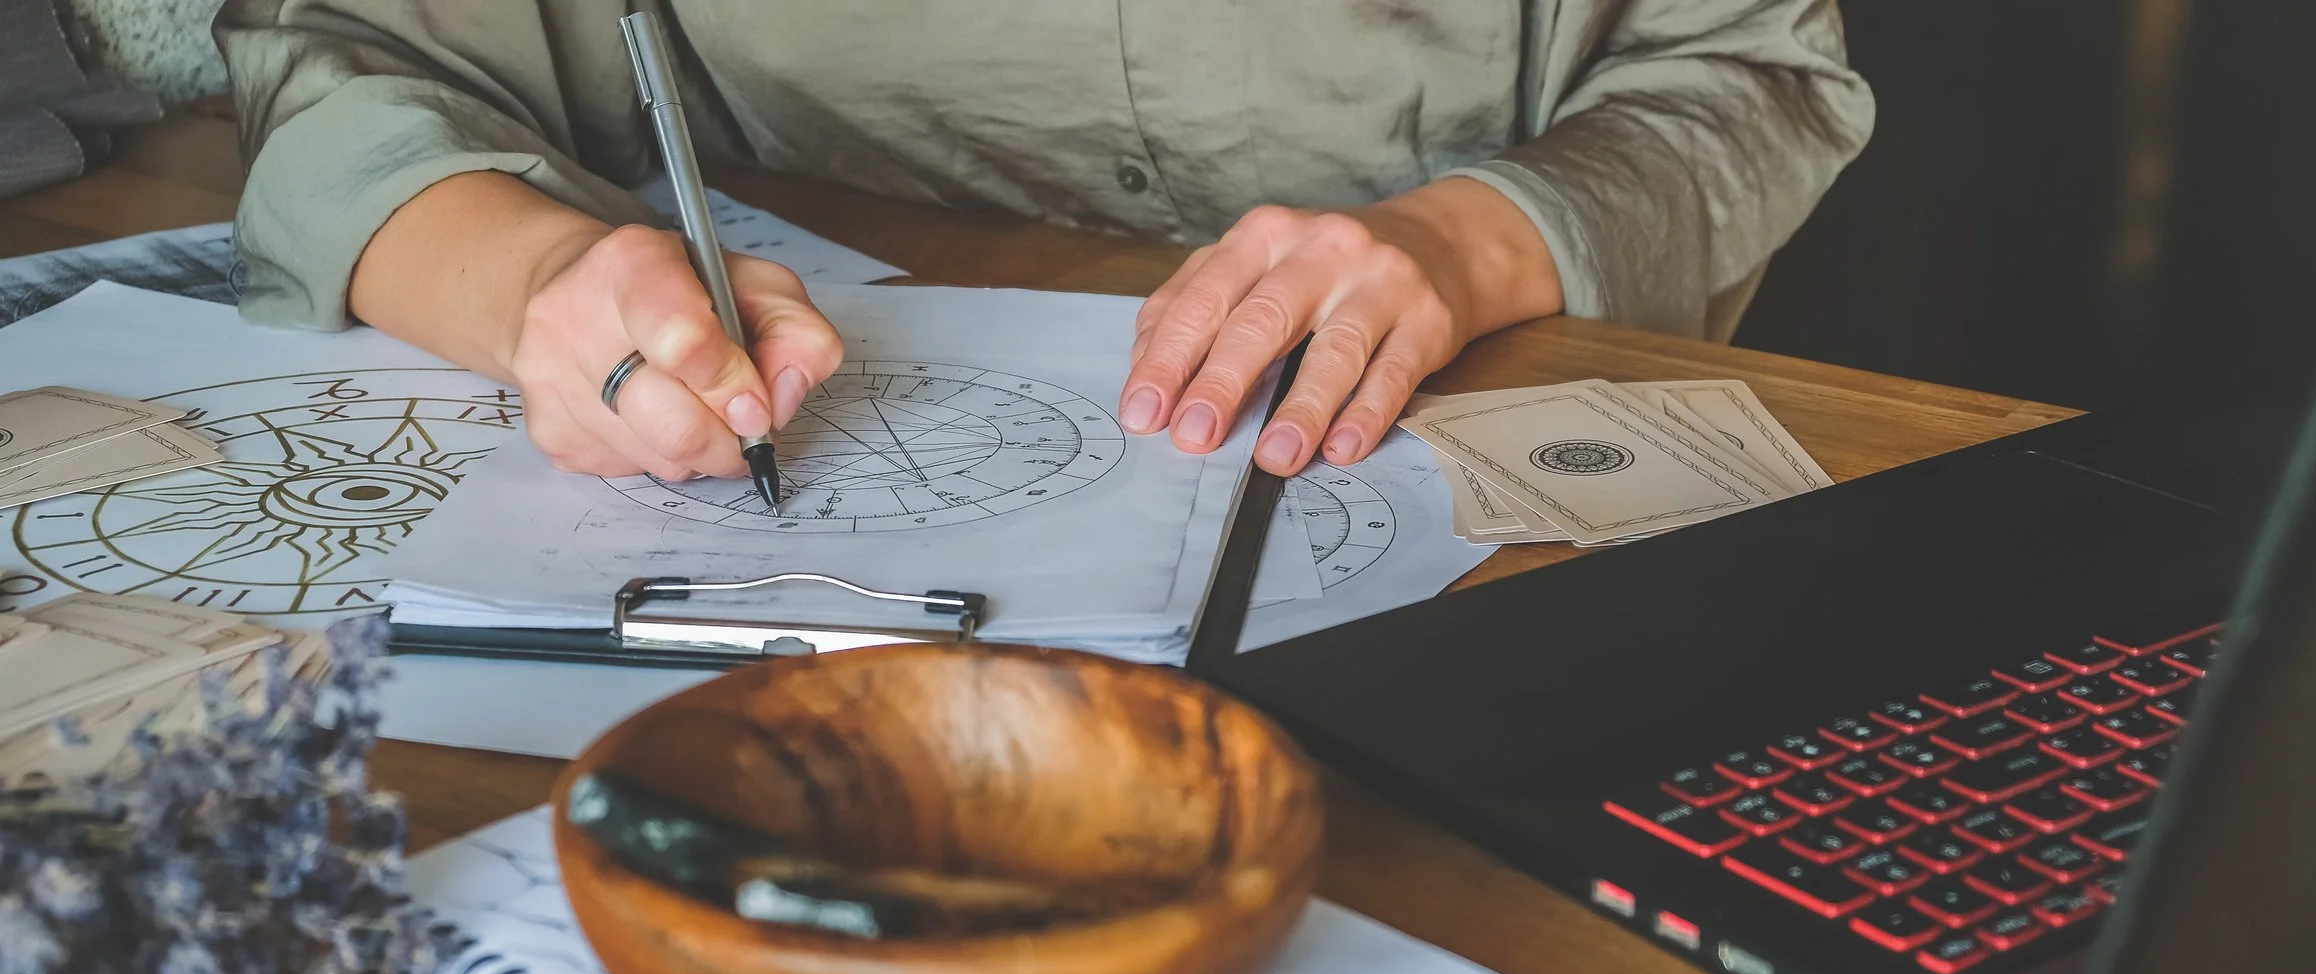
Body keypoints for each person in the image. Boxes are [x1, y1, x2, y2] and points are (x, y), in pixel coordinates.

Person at [214, 2, 1871, 480]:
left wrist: (1469, 242)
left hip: (1481, 475)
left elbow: (1749, 71)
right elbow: (344, 59)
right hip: (813, 522)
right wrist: (533, 285)